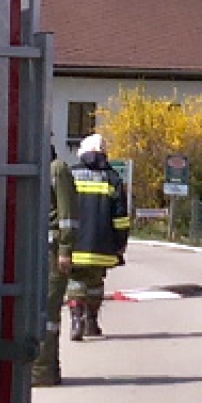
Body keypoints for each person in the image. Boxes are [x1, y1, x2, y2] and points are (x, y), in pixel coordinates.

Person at [63, 133, 130, 343]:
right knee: (95, 283)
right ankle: (91, 322)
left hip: (74, 243)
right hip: (103, 245)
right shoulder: (112, 178)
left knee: (75, 281)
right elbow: (120, 217)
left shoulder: (70, 175)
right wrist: (120, 244)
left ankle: (76, 321)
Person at [32, 144, 78, 386]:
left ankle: (43, 371)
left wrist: (65, 250)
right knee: (36, 310)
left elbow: (68, 215)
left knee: (48, 311)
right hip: (35, 250)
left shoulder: (57, 169)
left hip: (52, 251)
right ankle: (43, 368)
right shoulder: (35, 168)